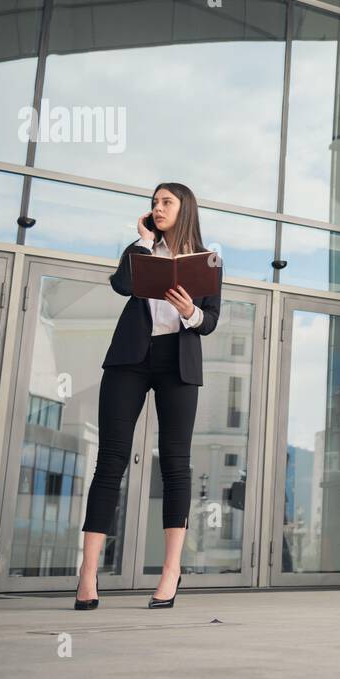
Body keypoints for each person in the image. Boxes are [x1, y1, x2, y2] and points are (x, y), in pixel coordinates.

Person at [74, 182, 221, 610]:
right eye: (154, 203)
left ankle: (171, 571)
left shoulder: (207, 260)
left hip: (177, 362)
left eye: (166, 202)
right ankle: (88, 573)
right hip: (130, 360)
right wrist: (143, 243)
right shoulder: (138, 251)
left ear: (184, 208)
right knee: (110, 460)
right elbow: (121, 286)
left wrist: (188, 311)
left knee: (176, 464)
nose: (157, 208)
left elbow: (210, 319)